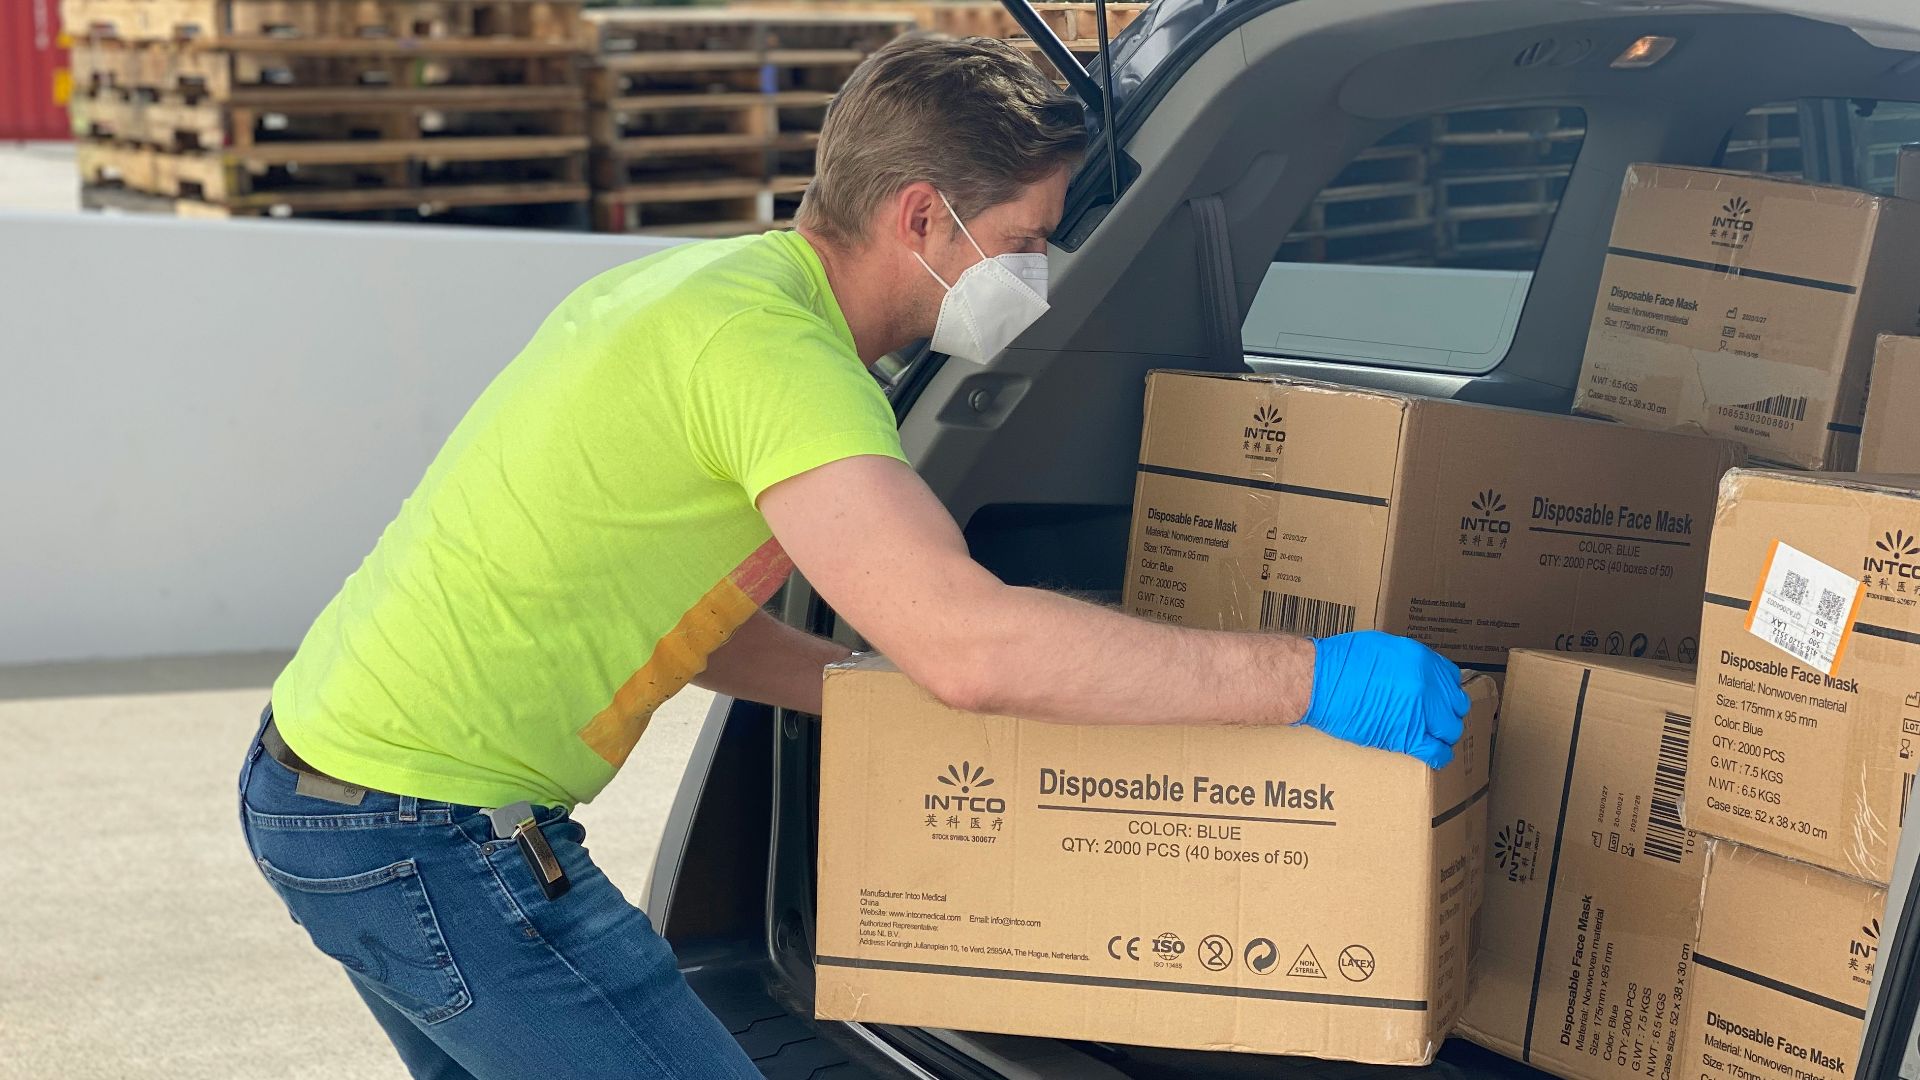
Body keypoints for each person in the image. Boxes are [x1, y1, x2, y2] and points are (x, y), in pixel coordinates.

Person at [237, 34, 1469, 1079]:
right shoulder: (788, 370)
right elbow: (972, 646)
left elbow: (682, 609)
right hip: (433, 834)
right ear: (920, 214)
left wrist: (864, 696)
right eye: (1028, 236)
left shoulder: (708, 295)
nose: (1036, 273)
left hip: (332, 793)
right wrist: (1316, 680)